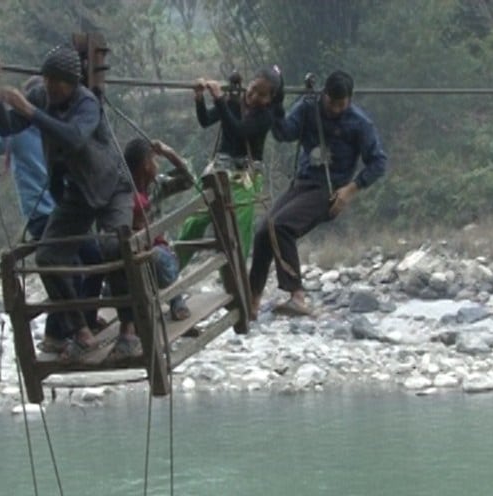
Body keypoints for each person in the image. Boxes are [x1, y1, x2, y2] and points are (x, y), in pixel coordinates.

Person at [0, 44, 138, 362]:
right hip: (79, 192)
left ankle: (129, 329)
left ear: (72, 82)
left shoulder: (87, 103)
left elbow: (73, 138)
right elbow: (5, 127)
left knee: (113, 248)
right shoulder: (43, 96)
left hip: (113, 189)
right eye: (47, 80)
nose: (49, 87)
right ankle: (80, 330)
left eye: (56, 82)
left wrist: (29, 110)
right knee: (48, 255)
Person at [0, 81, 104, 351]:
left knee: (94, 258)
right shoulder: (16, 131)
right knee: (66, 270)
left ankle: (86, 319)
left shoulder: (57, 126)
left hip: (68, 209)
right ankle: (55, 335)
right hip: (40, 212)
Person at [249, 69, 387, 317]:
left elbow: (378, 162)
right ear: (323, 94)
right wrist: (275, 105)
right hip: (302, 183)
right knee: (263, 230)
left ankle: (297, 296)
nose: (334, 109)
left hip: (330, 190)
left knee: (281, 226)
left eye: (340, 104)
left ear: (349, 100)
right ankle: (252, 300)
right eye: (331, 102)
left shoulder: (359, 123)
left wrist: (350, 190)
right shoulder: (307, 108)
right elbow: (283, 134)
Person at [178, 66, 283, 265]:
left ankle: (237, 280)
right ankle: (172, 271)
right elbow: (205, 120)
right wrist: (200, 97)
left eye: (262, 95)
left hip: (245, 177)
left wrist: (219, 99)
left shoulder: (266, 116)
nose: (253, 97)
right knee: (194, 220)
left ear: (270, 98)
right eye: (252, 89)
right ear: (248, 84)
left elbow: (239, 131)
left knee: (238, 229)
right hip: (219, 169)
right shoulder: (234, 102)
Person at [123, 137, 195, 321]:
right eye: (154, 160)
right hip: (132, 257)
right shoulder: (122, 193)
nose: (157, 164)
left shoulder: (156, 185)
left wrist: (168, 152)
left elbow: (189, 180)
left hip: (157, 252)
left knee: (157, 257)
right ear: (146, 165)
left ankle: (176, 299)